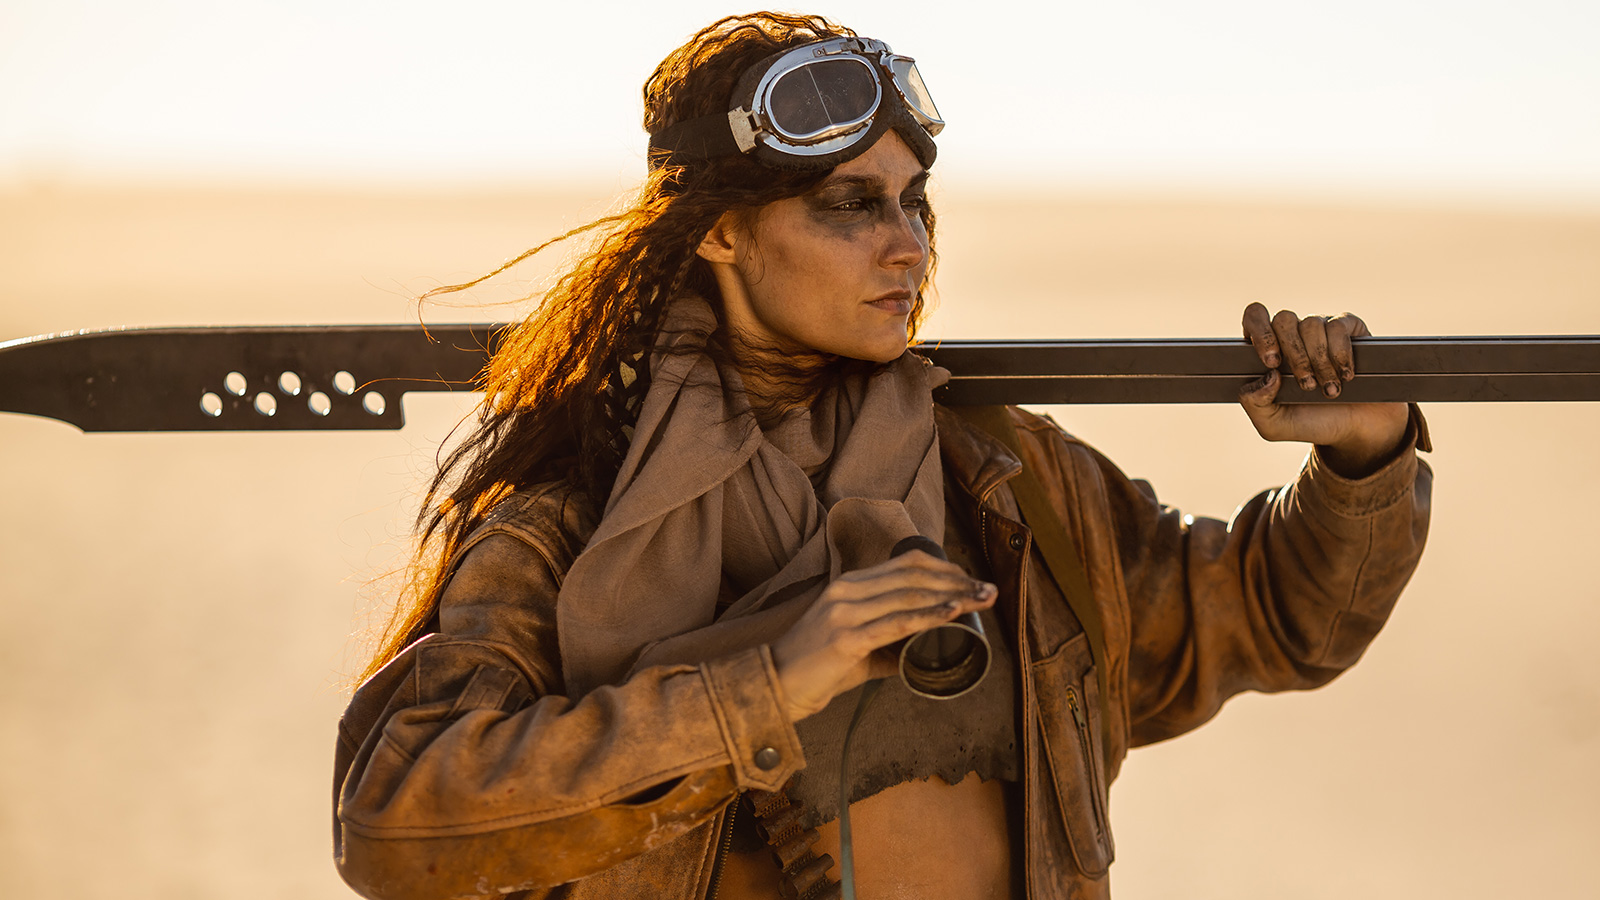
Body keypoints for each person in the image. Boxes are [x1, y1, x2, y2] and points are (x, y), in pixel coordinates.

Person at [331, 12, 1431, 900]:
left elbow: (1264, 619)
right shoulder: (576, 518)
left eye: (913, 202)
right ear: (719, 230)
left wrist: (1361, 460)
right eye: (849, 205)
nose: (906, 246)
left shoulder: (1004, 481)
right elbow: (396, 822)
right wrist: (767, 684)